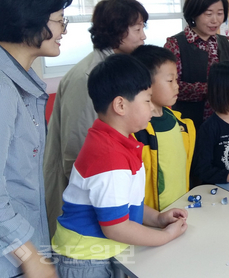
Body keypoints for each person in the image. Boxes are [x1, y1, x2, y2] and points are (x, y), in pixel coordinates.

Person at [51, 54, 188, 277]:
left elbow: (124, 203)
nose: (152, 109)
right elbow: (116, 226)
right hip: (86, 259)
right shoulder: (109, 157)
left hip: (104, 251)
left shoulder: (120, 141)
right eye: (147, 100)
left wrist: (158, 219)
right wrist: (166, 236)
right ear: (121, 105)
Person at [44, 0, 149, 236]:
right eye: (137, 28)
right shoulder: (87, 76)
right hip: (87, 204)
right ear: (117, 30)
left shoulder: (116, 68)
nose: (143, 35)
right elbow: (75, 150)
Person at [0, 0, 72, 278]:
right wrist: (30, 255)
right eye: (59, 20)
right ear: (28, 20)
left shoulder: (18, 81)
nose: (63, 30)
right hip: (6, 258)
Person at [131, 45, 196, 211]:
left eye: (176, 80)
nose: (176, 86)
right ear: (146, 83)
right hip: (150, 220)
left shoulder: (181, 124)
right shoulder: (137, 133)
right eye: (170, 80)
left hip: (180, 210)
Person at [164, 0, 229, 129]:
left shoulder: (225, 42)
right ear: (193, 13)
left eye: (220, 13)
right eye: (208, 14)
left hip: (223, 118)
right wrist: (211, 89)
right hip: (189, 121)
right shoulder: (175, 44)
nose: (215, 20)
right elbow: (170, 85)